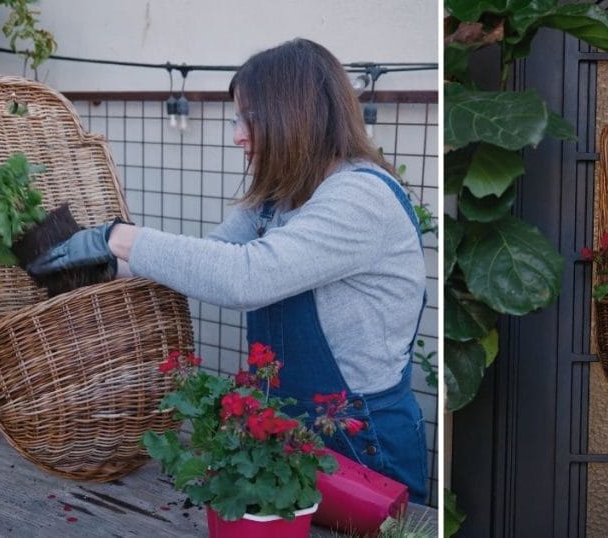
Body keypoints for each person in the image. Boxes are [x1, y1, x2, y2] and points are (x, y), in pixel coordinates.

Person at [28, 38, 429, 503]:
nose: (237, 135)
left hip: (361, 443)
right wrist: (104, 268)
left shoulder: (360, 198)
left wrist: (118, 236)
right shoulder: (280, 197)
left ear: (293, 116)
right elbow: (212, 257)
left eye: (247, 119)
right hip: (290, 430)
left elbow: (244, 277)